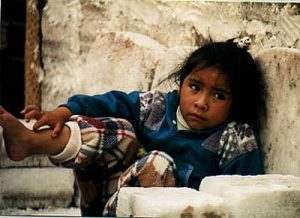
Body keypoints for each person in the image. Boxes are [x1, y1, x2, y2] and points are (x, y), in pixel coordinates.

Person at [0, 37, 266, 217]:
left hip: (155, 211)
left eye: (219, 95)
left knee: (158, 163)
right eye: (195, 87)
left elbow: (240, 195)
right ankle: (31, 142)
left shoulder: (233, 136)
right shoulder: (160, 107)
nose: (201, 103)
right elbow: (110, 103)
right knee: (122, 131)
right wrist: (64, 111)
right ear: (182, 83)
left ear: (236, 104)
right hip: (110, 192)